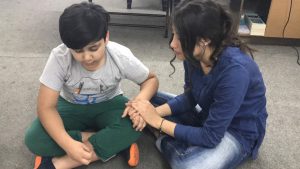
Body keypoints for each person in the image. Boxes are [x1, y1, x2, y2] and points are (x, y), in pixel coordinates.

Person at [124, 0, 268, 169]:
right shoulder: (193, 56)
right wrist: (152, 112)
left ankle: (161, 137)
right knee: (146, 100)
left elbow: (210, 136)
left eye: (180, 37)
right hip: (206, 111)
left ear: (204, 40)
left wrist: (157, 123)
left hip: (236, 131)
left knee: (190, 166)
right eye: (173, 35)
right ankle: (172, 131)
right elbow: (191, 97)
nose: (172, 44)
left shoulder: (235, 72)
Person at [24, 2, 158, 169]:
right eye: (78, 51)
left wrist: (138, 103)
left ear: (106, 37)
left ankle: (60, 163)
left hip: (110, 102)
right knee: (34, 138)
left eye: (94, 48)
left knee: (136, 124)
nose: (87, 57)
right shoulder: (60, 57)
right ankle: (112, 143)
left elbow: (151, 80)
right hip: (70, 105)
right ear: (68, 47)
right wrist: (68, 144)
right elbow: (46, 107)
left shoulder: (120, 55)